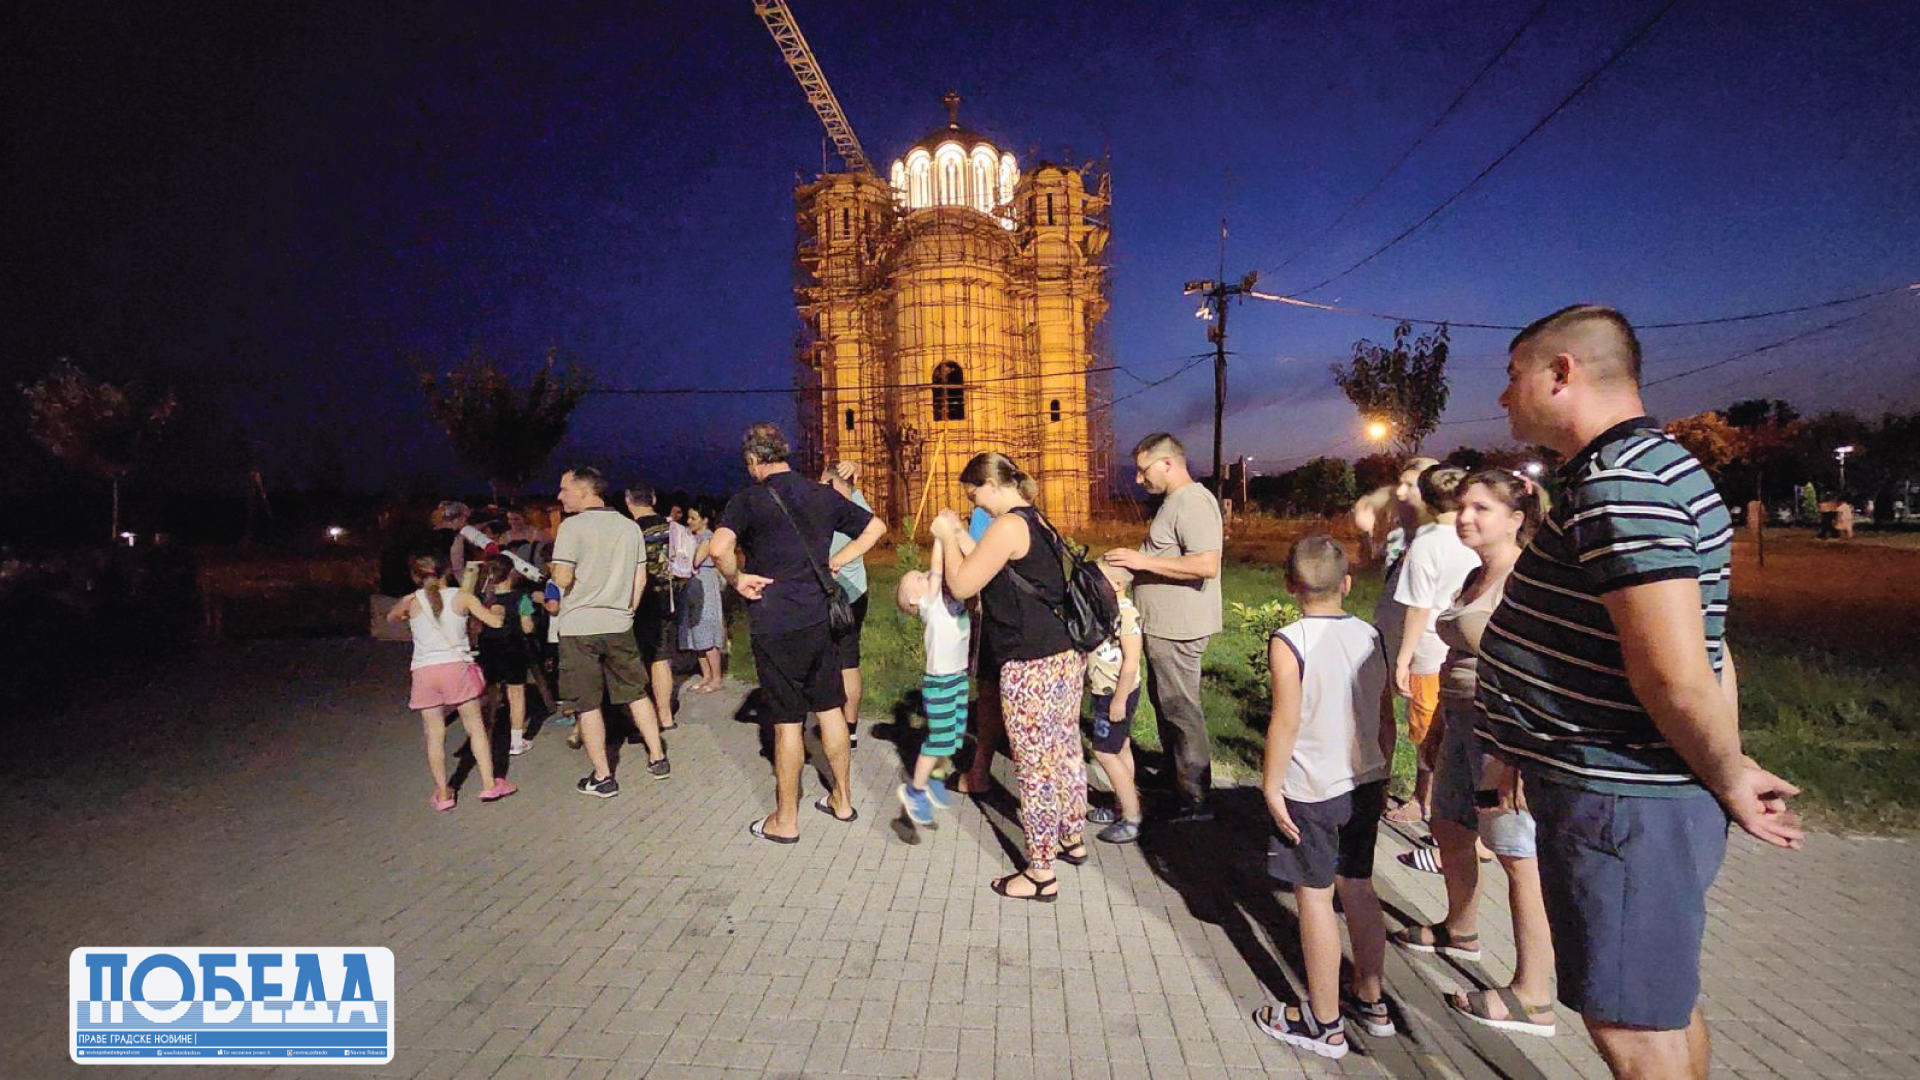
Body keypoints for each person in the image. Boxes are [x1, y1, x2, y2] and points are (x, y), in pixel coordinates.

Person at [1479, 305, 1802, 1079]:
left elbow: (1674, 673)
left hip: (1619, 802)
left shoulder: (1622, 484)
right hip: (1629, 796)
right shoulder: (1651, 468)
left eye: (1514, 375)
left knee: (1633, 1030)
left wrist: (1728, 774)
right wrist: (1725, 760)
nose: (1503, 396)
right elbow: (1712, 644)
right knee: (1661, 1008)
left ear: (1562, 373)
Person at [1389, 469, 1558, 1038]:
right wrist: (1439, 722)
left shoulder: (1525, 581)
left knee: (1515, 853)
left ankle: (1533, 995)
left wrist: (1517, 753)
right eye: (1463, 506)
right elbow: (1458, 658)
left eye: (1482, 508)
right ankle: (1461, 931)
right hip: (1462, 722)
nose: (1465, 517)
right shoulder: (1473, 574)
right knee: (1449, 825)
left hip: (1501, 738)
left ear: (1516, 519)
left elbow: (1539, 672)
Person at [1252, 534, 1396, 1059]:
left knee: (1314, 896)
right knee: (1358, 885)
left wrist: (1271, 786)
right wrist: (1384, 766)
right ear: (1348, 584)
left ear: (1289, 585)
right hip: (1365, 780)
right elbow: (1385, 712)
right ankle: (1372, 1000)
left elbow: (1285, 721)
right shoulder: (1371, 635)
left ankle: (1324, 1022)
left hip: (1311, 788)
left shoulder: (1289, 641)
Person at [710, 423, 885, 843]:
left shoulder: (747, 500)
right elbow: (876, 527)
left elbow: (718, 549)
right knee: (830, 708)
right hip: (820, 615)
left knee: (788, 721)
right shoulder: (821, 493)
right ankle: (842, 801)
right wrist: (839, 559)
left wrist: (737, 579)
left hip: (775, 620)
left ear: (753, 460)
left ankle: (785, 820)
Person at [930, 452, 1087, 901]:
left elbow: (964, 584)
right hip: (1062, 655)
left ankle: (1040, 872)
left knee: (1034, 768)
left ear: (992, 485)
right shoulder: (1035, 520)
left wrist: (946, 537)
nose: (974, 504)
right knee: (1065, 752)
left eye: (974, 494)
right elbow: (992, 563)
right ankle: (1071, 837)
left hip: (1028, 663)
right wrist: (962, 535)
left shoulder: (1006, 526)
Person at [1104, 432, 1223, 823]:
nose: (1139, 480)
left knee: (1181, 710)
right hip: (1164, 627)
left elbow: (1206, 564)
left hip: (1179, 628)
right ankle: (1176, 780)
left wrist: (1141, 562)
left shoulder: (1192, 501)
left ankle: (1195, 798)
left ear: (1167, 463)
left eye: (1144, 471)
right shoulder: (1174, 503)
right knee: (1167, 706)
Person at [552, 466, 670, 797]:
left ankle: (603, 777)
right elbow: (640, 579)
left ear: (584, 490)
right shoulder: (629, 527)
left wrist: (553, 573)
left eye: (564, 489)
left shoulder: (571, 527)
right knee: (635, 691)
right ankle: (657, 757)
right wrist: (626, 611)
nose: (560, 496)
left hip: (580, 627)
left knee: (588, 702)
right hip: (619, 623)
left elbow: (562, 578)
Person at [387, 554, 516, 810]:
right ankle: (489, 784)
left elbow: (392, 617)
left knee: (434, 735)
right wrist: (498, 609)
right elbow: (494, 622)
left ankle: (444, 794)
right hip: (456, 669)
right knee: (476, 728)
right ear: (447, 571)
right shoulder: (462, 597)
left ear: (415, 576)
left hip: (424, 672)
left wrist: (406, 611)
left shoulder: (412, 600)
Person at [1388, 465, 1478, 827]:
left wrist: (1402, 659)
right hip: (1471, 651)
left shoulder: (1427, 544)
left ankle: (1424, 803)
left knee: (1427, 731)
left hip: (1430, 651)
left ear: (1426, 500)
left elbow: (1418, 608)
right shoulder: (1477, 536)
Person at [1370, 456, 1441, 824]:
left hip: (1427, 644)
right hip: (1387, 633)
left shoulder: (1444, 537)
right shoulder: (1400, 533)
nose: (1400, 492)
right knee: (1379, 713)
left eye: (1410, 485)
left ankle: (1422, 798)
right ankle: (1377, 788)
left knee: (1424, 722)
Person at [894, 535, 968, 827]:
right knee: (938, 741)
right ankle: (915, 791)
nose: (923, 573)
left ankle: (936, 776)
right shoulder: (930, 603)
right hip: (941, 682)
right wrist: (940, 537)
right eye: (917, 577)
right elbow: (937, 567)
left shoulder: (945, 597)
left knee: (954, 736)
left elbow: (950, 569)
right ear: (916, 599)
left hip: (958, 677)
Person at [1084, 558, 1144, 844]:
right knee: (1120, 748)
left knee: (1104, 752)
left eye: (1101, 579)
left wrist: (1119, 699)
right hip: (1105, 692)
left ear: (1118, 584)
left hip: (1116, 694)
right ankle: (1122, 803)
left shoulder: (1127, 615)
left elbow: (1131, 661)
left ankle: (1132, 816)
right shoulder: (1106, 611)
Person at [624, 484, 683, 733]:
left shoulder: (630, 530)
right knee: (661, 658)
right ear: (654, 499)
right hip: (667, 598)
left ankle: (642, 715)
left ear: (628, 501)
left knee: (636, 658)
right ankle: (665, 716)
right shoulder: (672, 528)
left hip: (638, 600)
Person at [823, 462, 873, 749]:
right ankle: (850, 729)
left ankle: (833, 725)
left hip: (834, 595)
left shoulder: (828, 509)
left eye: (824, 482)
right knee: (849, 660)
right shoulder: (858, 504)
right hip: (857, 593)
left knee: (829, 661)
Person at [474, 554, 542, 757]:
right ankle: (516, 740)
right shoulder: (522, 597)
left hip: (488, 646)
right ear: (511, 572)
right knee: (516, 692)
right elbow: (527, 627)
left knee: (491, 693)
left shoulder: (481, 599)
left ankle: (486, 735)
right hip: (513, 647)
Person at [679, 504, 726, 693]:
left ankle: (716, 677)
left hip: (705, 584)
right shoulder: (691, 537)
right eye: (689, 518)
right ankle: (706, 675)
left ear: (704, 520)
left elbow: (695, 560)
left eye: (694, 518)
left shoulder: (708, 538)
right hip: (691, 585)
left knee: (706, 627)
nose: (689, 521)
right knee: (695, 631)